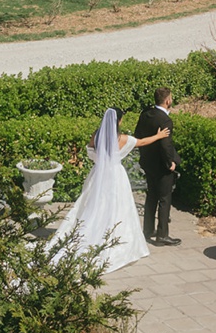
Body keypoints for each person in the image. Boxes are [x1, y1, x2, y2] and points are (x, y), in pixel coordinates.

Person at [48, 107, 163, 273]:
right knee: (119, 206)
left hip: (98, 174)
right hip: (116, 175)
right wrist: (159, 136)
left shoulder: (97, 135)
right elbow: (142, 142)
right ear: (119, 121)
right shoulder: (122, 138)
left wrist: (99, 160)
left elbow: (90, 151)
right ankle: (117, 240)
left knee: (95, 204)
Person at [137, 87, 180, 247]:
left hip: (148, 163)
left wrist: (145, 155)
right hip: (161, 165)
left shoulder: (145, 114)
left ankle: (148, 230)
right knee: (164, 198)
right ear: (168, 100)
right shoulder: (165, 120)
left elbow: (138, 136)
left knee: (151, 197)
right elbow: (165, 145)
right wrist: (170, 163)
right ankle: (162, 235)